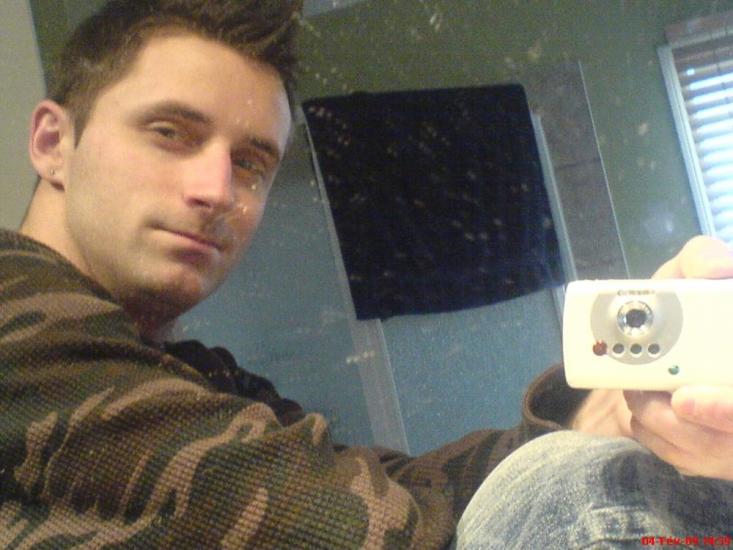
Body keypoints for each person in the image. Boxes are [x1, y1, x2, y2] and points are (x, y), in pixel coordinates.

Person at [1, 0, 730, 548]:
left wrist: (594, 410)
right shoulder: (18, 334)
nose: (218, 190)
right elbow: (371, 531)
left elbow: (388, 485)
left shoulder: (192, 373)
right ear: (52, 141)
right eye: (170, 133)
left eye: (250, 163)